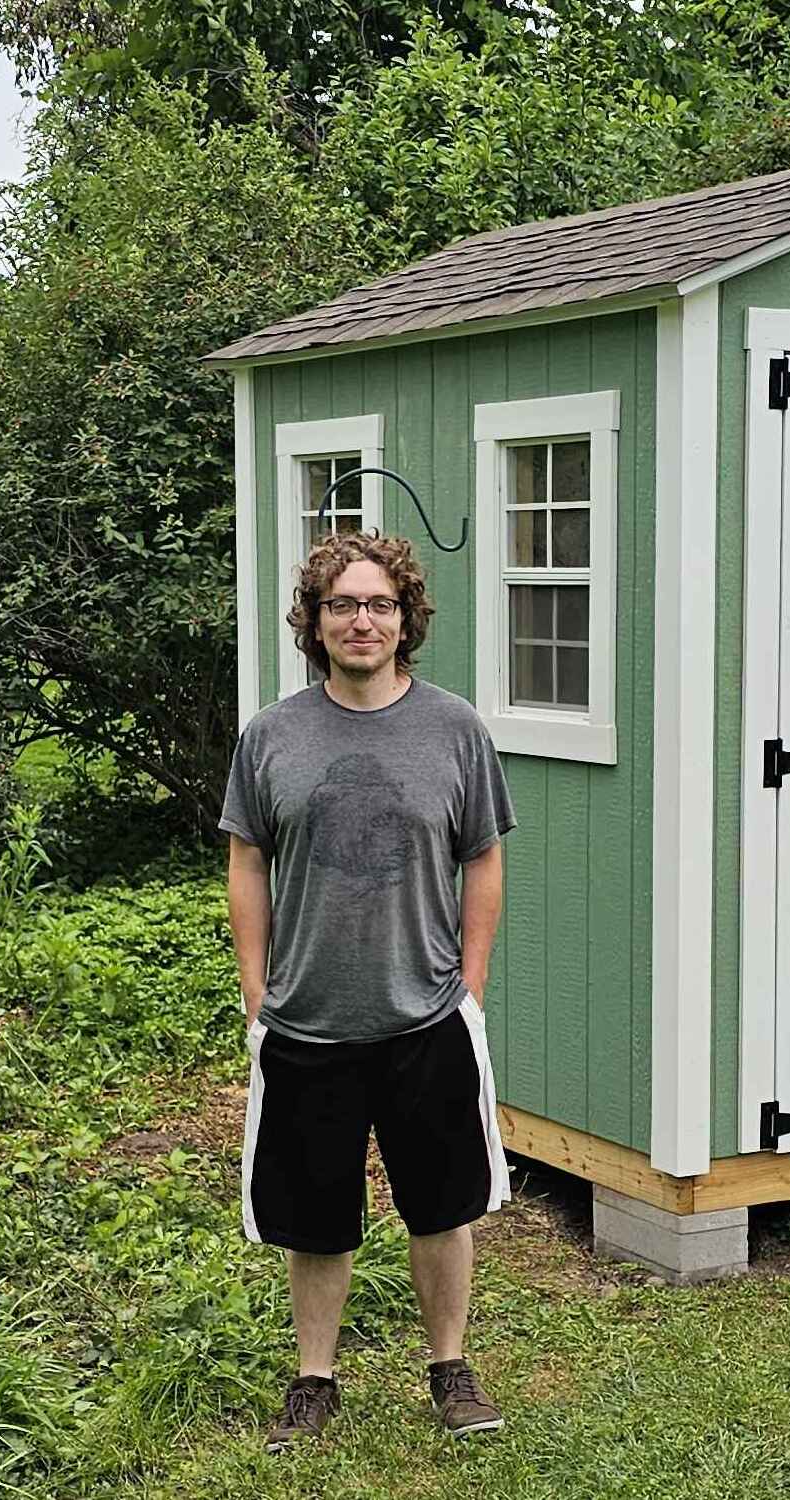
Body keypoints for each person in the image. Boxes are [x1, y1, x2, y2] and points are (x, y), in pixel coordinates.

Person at [219, 530, 517, 1453]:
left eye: (379, 604)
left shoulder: (455, 728)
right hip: (308, 1022)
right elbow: (246, 861)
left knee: (444, 1206)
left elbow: (485, 858)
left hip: (425, 1015)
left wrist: (468, 986)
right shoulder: (272, 735)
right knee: (317, 1220)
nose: (362, 620)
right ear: (314, 622)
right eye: (342, 604)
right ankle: (315, 1380)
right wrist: (257, 990)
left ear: (406, 618)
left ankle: (450, 1371)